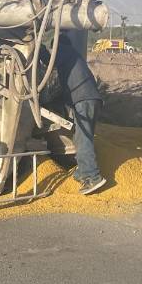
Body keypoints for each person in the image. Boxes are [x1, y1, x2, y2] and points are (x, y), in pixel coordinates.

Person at [52, 33, 107, 194]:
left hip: (84, 100)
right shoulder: (74, 57)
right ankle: (81, 172)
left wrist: (37, 47)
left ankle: (93, 176)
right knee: (81, 137)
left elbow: (45, 59)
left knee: (83, 139)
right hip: (90, 99)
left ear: (58, 45)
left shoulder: (63, 51)